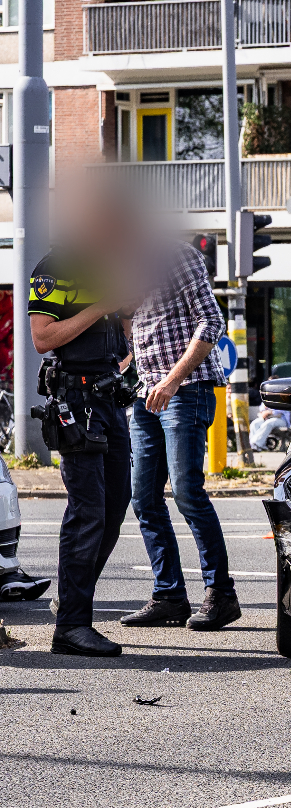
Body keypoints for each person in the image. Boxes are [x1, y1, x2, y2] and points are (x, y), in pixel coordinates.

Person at [120, 236, 238, 632]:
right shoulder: (123, 266)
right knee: (143, 498)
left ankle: (221, 595)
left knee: (187, 492)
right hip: (145, 393)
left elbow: (211, 321)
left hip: (186, 390)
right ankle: (169, 595)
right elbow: (136, 323)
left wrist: (171, 381)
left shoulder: (177, 254)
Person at [27, 249, 137, 656]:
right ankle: (72, 625)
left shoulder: (109, 264)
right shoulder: (57, 268)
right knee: (88, 510)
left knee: (114, 504)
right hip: (76, 400)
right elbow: (43, 338)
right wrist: (101, 306)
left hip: (107, 399)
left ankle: (74, 600)